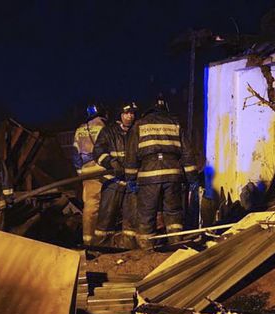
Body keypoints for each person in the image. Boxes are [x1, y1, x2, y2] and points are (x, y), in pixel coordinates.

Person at [124, 95, 197, 248]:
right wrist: (192, 178)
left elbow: (131, 154)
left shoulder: (139, 125)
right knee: (173, 213)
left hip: (148, 177)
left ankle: (147, 250)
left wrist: (130, 178)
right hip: (173, 175)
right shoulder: (176, 124)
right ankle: (176, 246)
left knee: (146, 214)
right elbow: (187, 153)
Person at [93, 101, 138, 249]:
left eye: (132, 113)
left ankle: (128, 249)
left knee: (131, 219)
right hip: (112, 182)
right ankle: (102, 249)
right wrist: (111, 163)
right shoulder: (108, 131)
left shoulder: (137, 131)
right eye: (126, 113)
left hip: (132, 182)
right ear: (120, 115)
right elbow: (98, 151)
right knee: (106, 217)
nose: (130, 116)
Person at [72, 103, 107, 245]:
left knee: (90, 206)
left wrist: (81, 172)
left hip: (87, 172)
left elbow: (75, 153)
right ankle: (100, 240)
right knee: (105, 205)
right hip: (103, 170)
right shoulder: (104, 128)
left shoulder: (80, 130)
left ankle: (87, 240)